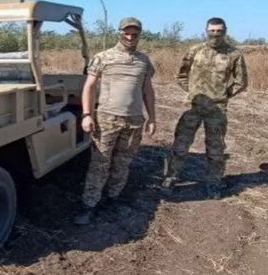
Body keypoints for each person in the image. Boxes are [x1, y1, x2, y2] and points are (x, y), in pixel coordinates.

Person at [73, 17, 156, 225]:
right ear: (119, 33)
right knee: (99, 163)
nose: (130, 37)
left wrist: (152, 118)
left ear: (139, 34)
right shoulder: (104, 57)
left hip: (134, 121)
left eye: (134, 34)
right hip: (107, 119)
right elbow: (89, 87)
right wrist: (87, 114)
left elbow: (147, 90)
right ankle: (89, 205)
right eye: (126, 33)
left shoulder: (143, 60)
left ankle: (113, 199)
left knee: (122, 163)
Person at [161, 17, 248, 199]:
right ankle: (171, 178)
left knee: (216, 149)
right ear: (206, 30)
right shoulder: (195, 50)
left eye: (219, 31)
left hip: (217, 110)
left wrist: (223, 95)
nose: (215, 34)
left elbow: (241, 82)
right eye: (212, 30)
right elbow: (181, 74)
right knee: (180, 145)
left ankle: (214, 183)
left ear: (225, 31)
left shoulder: (234, 54)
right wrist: (192, 92)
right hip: (193, 106)